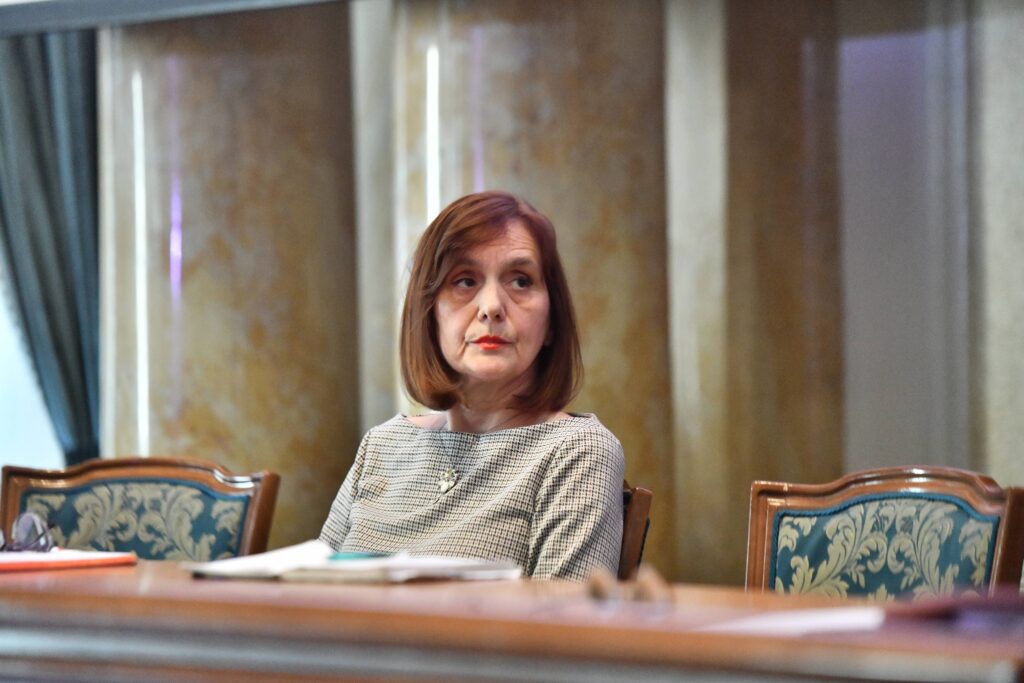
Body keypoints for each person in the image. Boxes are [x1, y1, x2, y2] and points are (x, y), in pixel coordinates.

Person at [320, 191, 624, 580]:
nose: (492, 306)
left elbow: (563, 616)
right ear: (429, 314)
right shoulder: (381, 445)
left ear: (551, 321)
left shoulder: (578, 450)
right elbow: (307, 590)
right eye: (465, 281)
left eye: (520, 281)